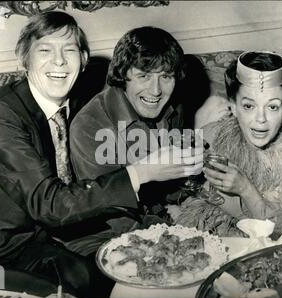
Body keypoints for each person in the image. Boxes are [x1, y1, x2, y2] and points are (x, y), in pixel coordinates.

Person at [0, 12, 200, 298]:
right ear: (24, 58)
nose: (59, 61)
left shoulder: (69, 102)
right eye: (45, 50)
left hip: (31, 245)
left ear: (84, 59)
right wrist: (141, 172)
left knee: (94, 282)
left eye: (70, 50)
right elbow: (49, 204)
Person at [171, 51, 282, 239]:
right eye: (248, 106)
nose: (260, 119)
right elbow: (186, 193)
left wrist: (246, 190)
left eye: (273, 106)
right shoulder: (209, 136)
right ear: (234, 106)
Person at [70, 26, 203, 211]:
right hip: (113, 229)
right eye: (144, 75)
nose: (156, 91)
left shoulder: (174, 108)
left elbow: (174, 187)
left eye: (165, 76)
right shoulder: (88, 125)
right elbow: (106, 210)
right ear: (123, 74)